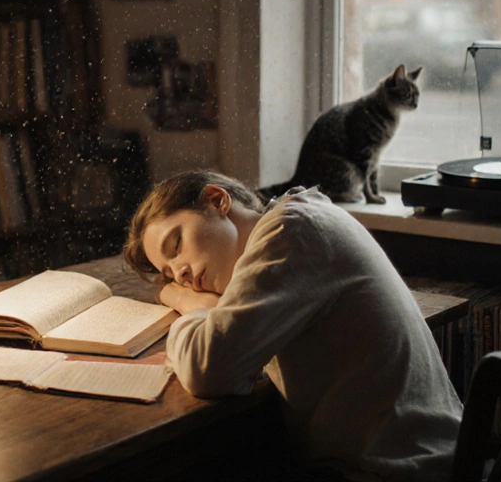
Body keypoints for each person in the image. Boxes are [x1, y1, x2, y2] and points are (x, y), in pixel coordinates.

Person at [123, 170, 462, 481]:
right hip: (428, 456)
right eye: (169, 274)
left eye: (176, 245)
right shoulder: (303, 214)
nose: (180, 272)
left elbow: (207, 369)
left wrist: (189, 303)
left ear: (217, 200)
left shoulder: (289, 232)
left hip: (396, 471)